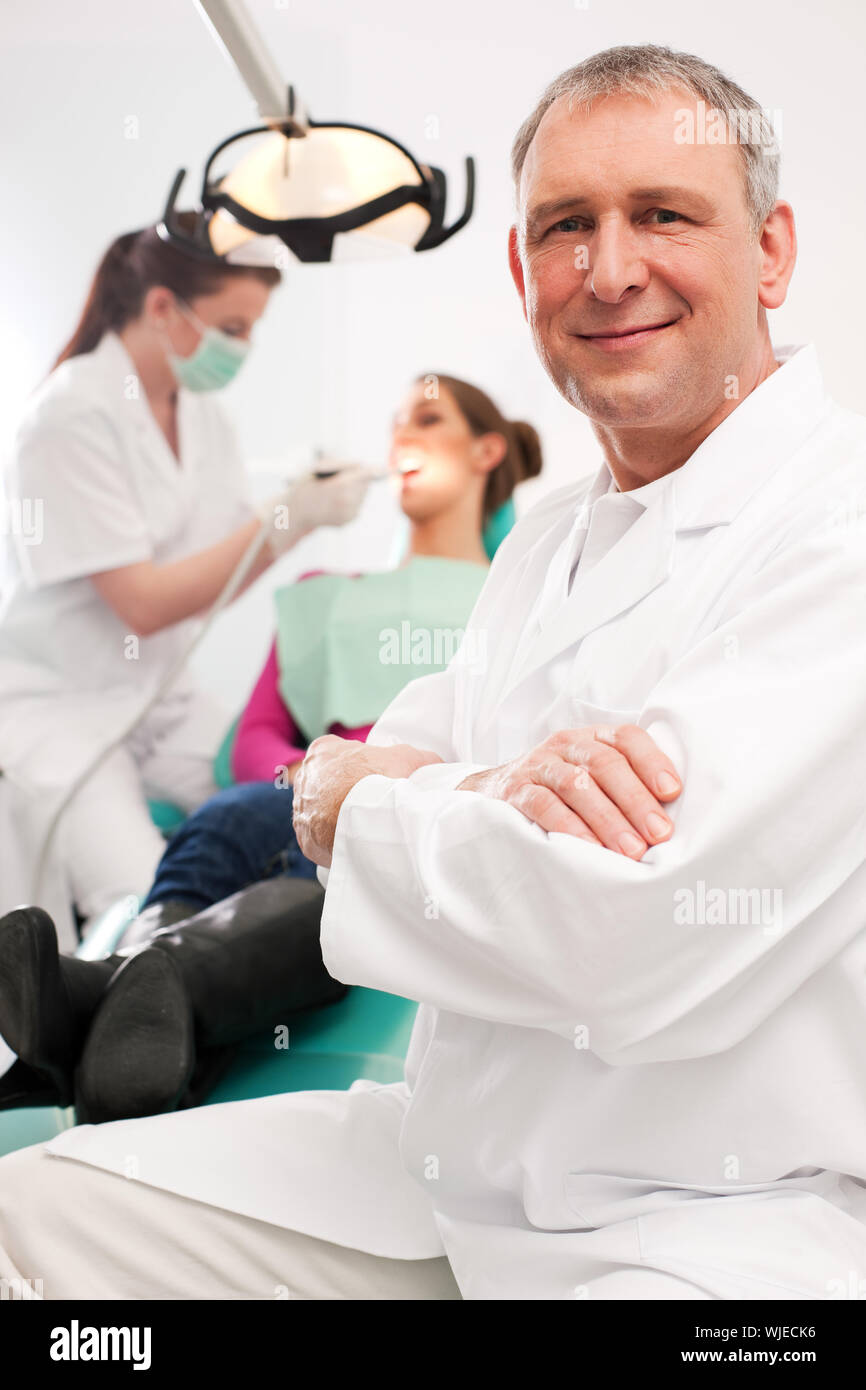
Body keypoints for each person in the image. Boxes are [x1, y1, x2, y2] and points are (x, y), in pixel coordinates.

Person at [2, 42, 866, 1302]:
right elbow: (321, 779)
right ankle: (144, 968)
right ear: (522, 272)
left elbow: (616, 932)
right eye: (566, 226)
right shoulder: (549, 543)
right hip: (442, 1176)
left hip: (707, 1226)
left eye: (662, 215)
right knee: (34, 1214)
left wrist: (384, 797)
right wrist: (451, 791)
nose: (608, 266)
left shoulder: (834, 520)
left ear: (771, 249)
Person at [0, 371, 552, 1121]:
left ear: (487, 451)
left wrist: (363, 789)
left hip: (407, 815)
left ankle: (102, 995)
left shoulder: (521, 602)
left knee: (354, 843)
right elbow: (255, 734)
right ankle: (138, 994)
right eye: (395, 424)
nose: (401, 439)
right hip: (281, 800)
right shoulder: (327, 591)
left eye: (426, 418)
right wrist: (311, 777)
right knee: (223, 823)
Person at [0, 224, 372, 948]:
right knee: (151, 902)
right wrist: (287, 520)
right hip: (62, 712)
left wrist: (294, 517)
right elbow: (141, 604)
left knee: (285, 813)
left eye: (252, 329)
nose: (244, 347)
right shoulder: (70, 415)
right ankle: (126, 1035)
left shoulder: (203, 416)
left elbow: (220, 577)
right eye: (232, 327)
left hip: (161, 700)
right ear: (163, 307)